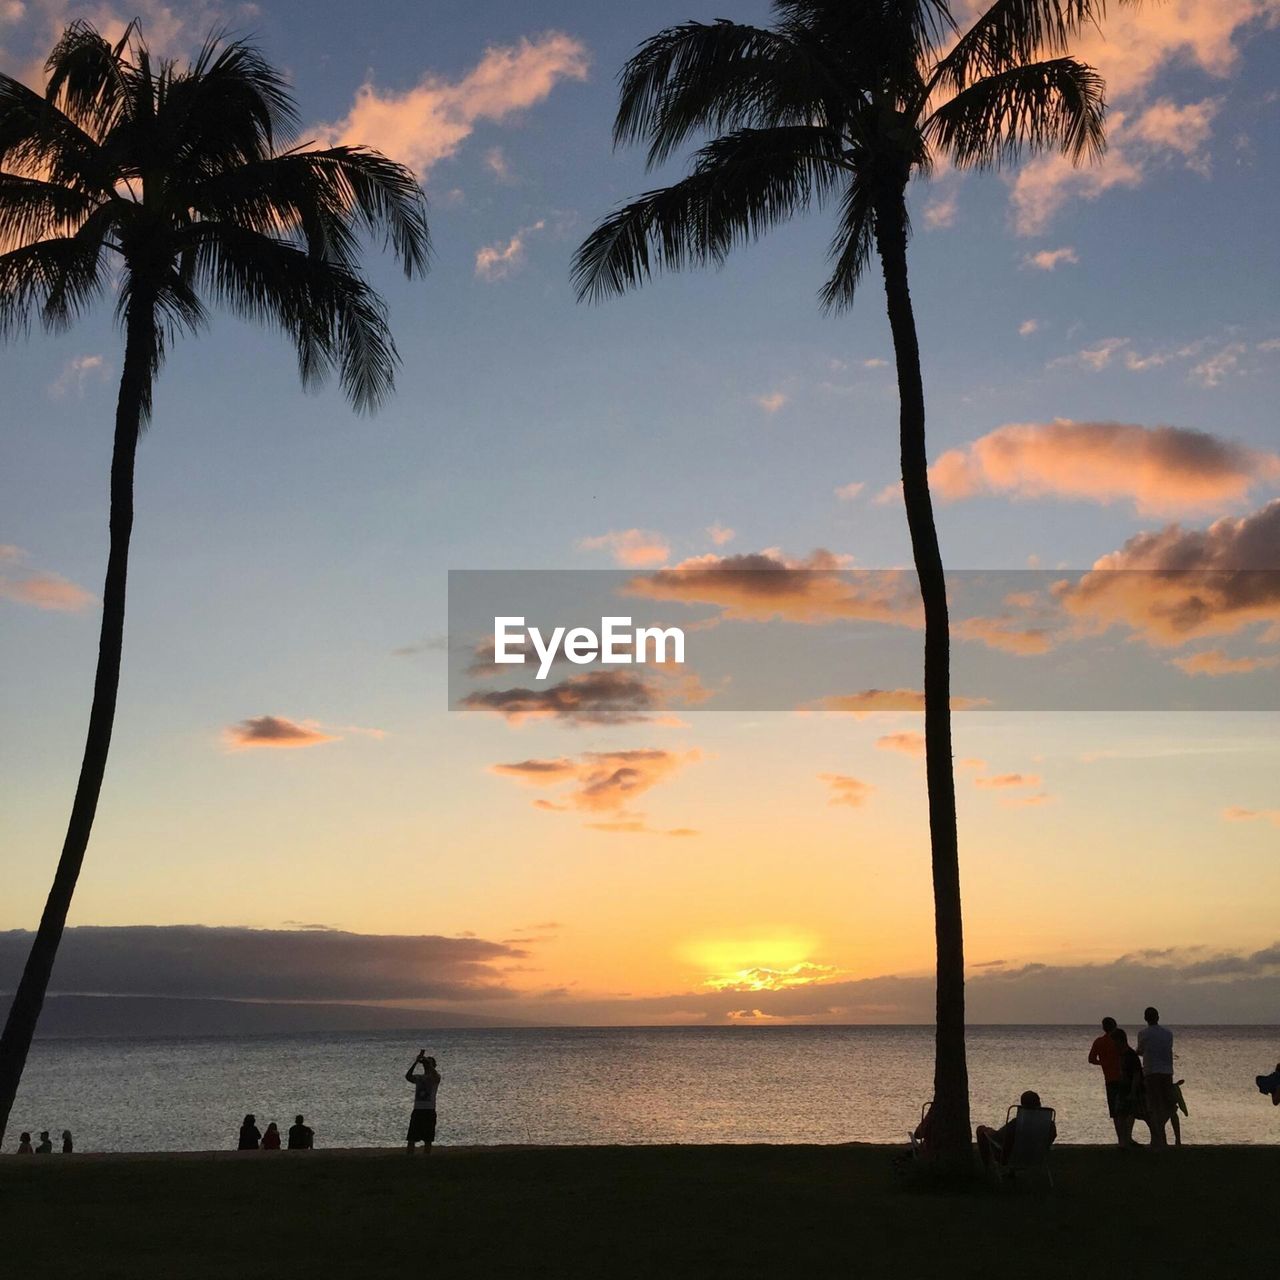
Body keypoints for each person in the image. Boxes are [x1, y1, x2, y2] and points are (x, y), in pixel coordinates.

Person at [976, 1091, 1057, 1171]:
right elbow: (1052, 1137)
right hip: (1037, 1157)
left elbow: (999, 1137)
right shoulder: (1049, 1124)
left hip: (1009, 1158)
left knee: (981, 1129)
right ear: (1039, 1103)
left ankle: (987, 1169)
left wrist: (988, 1131)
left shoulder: (1017, 1123)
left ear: (1022, 1105)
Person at [1136, 1007, 1177, 1148]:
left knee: (1153, 1106)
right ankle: (1161, 1136)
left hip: (1151, 1072)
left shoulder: (1143, 1033)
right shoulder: (1168, 1033)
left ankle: (1157, 1136)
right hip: (1167, 1072)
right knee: (1166, 1105)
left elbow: (1140, 1051)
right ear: (1158, 1017)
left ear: (1145, 1018)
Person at [1088, 1016, 1126, 1145]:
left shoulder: (1099, 1042)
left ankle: (1121, 1139)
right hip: (1123, 1077)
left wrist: (1103, 1063)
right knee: (1126, 1109)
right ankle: (1126, 1137)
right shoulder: (1118, 1041)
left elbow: (1091, 1059)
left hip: (1110, 1079)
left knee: (1115, 1111)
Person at [405, 1050, 441, 1154]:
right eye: (425, 1064)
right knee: (411, 1138)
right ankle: (409, 1158)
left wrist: (427, 1062)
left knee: (428, 1139)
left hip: (429, 1111)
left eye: (428, 1063)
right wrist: (416, 1062)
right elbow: (408, 1076)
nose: (426, 1065)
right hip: (418, 1110)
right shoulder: (419, 1078)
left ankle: (426, 1159)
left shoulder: (435, 1077)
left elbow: (435, 1073)